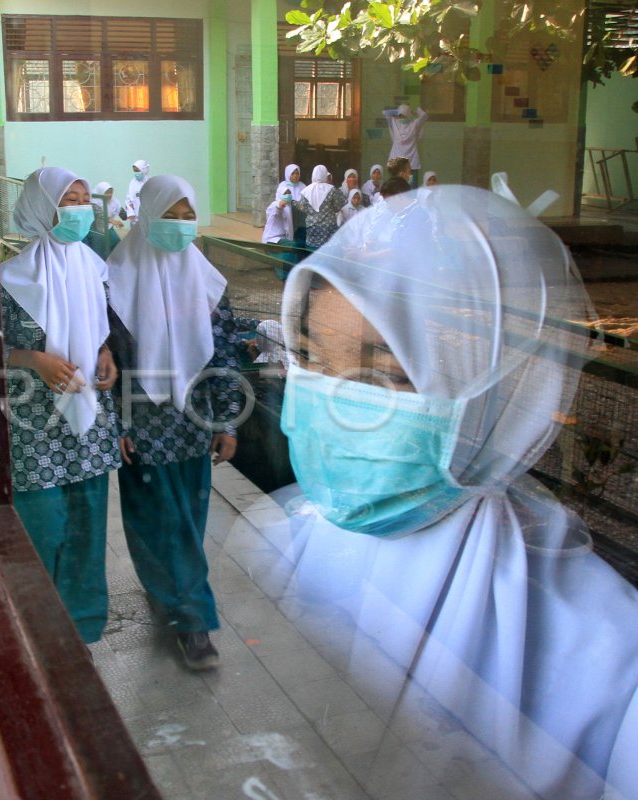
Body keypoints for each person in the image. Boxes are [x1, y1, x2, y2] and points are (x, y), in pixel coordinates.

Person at [266, 184, 638, 799]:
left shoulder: (607, 667)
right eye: (309, 359)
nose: (334, 400)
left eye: (385, 373)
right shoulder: (278, 540)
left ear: (494, 394)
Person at [107, 174, 255, 670]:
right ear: (147, 217)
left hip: (194, 424)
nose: (180, 226)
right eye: (169, 216)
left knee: (187, 521)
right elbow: (104, 364)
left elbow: (226, 358)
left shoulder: (208, 283)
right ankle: (193, 622)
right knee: (157, 520)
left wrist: (227, 422)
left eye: (188, 216)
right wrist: (118, 427)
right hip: (142, 429)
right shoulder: (114, 282)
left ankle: (172, 597)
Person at [0, 167, 121, 645]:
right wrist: (33, 359)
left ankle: (83, 631)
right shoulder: (9, 278)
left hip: (87, 424)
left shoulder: (93, 266)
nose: (79, 208)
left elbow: (101, 328)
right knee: (42, 529)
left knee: (88, 532)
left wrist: (105, 354)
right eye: (67, 199)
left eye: (83, 197)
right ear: (41, 208)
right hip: (34, 428)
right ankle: (34, 632)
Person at [294, 165, 345, 248]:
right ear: (325, 174)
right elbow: (337, 207)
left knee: (313, 251)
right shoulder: (331, 189)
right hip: (329, 228)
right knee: (329, 252)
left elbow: (303, 208)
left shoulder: (306, 191)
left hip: (312, 228)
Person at [384, 103, 427, 184]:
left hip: (411, 161)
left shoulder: (414, 124)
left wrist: (414, 110)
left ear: (408, 115)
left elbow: (424, 116)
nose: (401, 118)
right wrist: (415, 111)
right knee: (395, 186)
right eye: (400, 115)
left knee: (410, 188)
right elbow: (386, 113)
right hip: (396, 161)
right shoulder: (395, 122)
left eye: (404, 115)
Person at [87, 180, 124, 259]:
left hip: (108, 226)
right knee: (100, 248)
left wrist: (128, 215)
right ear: (101, 192)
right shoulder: (95, 201)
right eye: (107, 192)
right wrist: (114, 222)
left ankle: (114, 261)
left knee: (116, 242)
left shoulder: (113, 201)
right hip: (96, 228)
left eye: (111, 192)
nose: (109, 195)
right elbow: (100, 215)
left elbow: (120, 209)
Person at [126, 159, 150, 224]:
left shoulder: (150, 182)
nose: (136, 173)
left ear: (144, 170)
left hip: (147, 218)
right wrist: (131, 212)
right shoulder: (132, 183)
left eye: (137, 171)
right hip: (135, 218)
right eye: (134, 171)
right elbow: (128, 199)